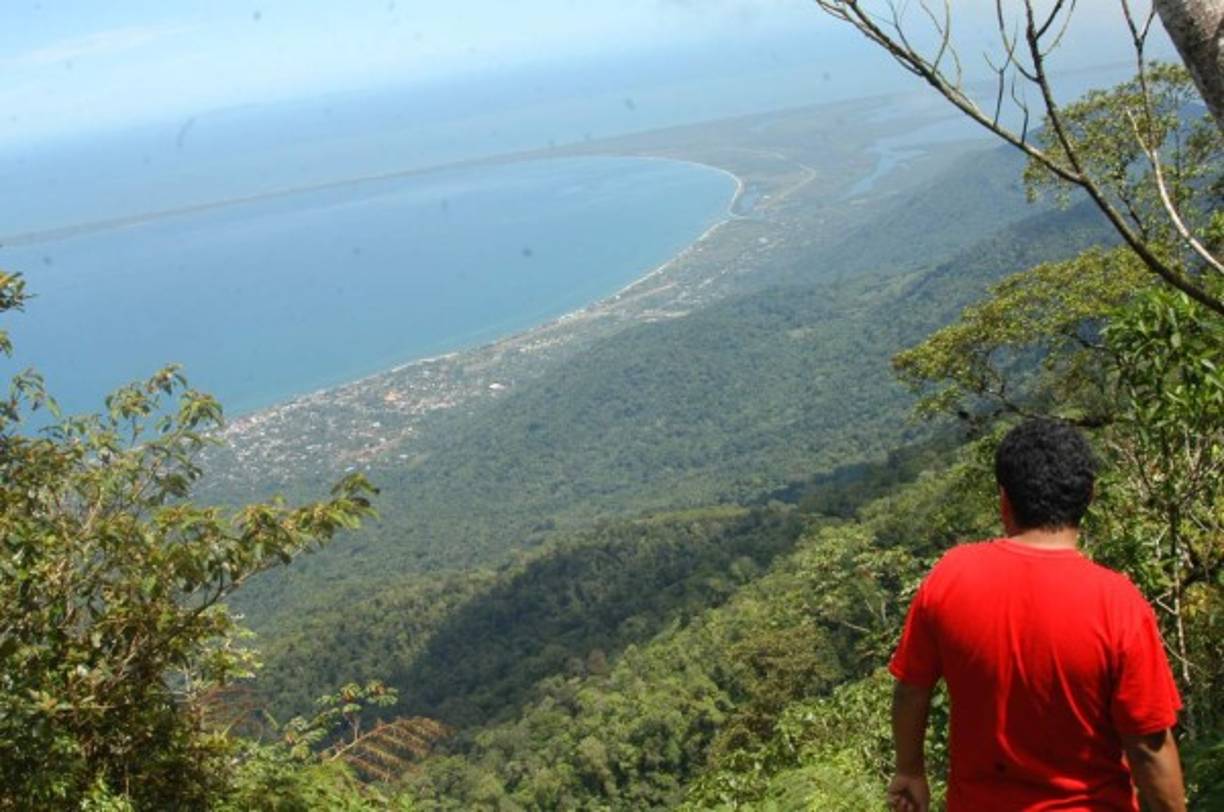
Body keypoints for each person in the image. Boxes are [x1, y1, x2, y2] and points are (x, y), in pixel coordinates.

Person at [887, 418, 1185, 811]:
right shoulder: (1118, 604)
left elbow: (912, 688)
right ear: (1089, 496)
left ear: (1004, 499)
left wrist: (910, 770)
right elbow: (1148, 748)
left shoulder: (951, 576)